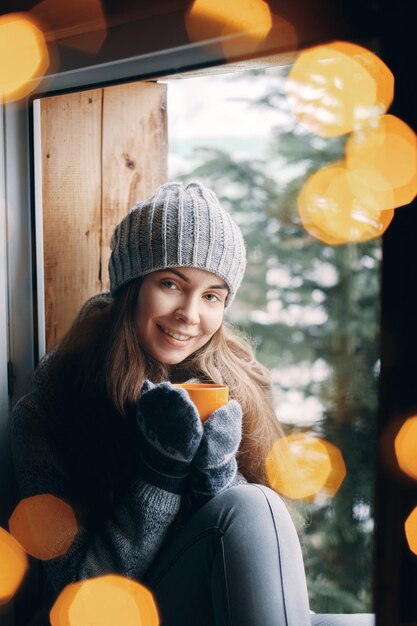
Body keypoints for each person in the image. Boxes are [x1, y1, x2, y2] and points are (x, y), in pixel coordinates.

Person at [10, 181, 375, 625]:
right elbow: (80, 594)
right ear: (131, 287)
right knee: (252, 505)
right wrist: (159, 474)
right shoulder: (54, 407)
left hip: (215, 604)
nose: (190, 313)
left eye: (211, 296)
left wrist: (216, 475)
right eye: (170, 283)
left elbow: (257, 554)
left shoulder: (234, 384)